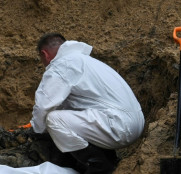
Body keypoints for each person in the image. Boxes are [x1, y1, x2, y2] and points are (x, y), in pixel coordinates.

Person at [28, 33, 145, 174]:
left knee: (53, 119)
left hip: (119, 126)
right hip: (135, 124)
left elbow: (43, 106)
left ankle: (100, 167)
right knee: (73, 117)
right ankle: (109, 159)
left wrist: (36, 130)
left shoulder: (61, 65)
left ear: (44, 54)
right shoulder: (86, 61)